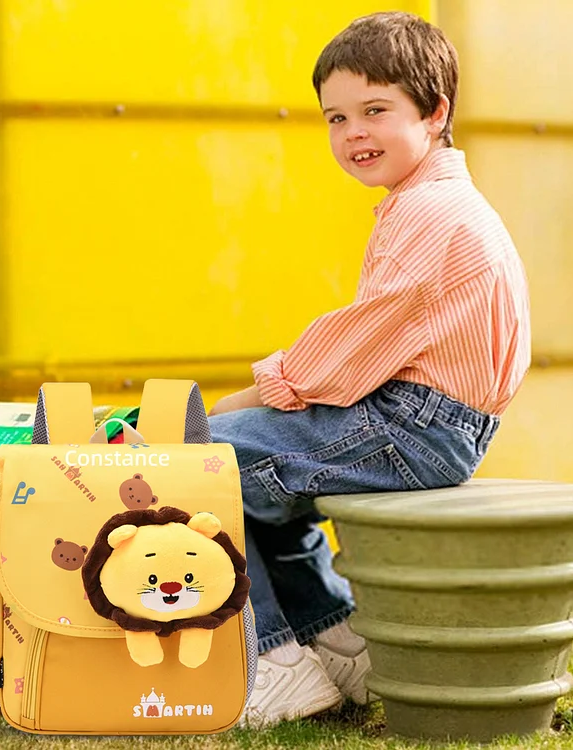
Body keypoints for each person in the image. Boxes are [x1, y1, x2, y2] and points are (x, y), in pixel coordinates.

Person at [208, 11, 531, 728]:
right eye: (336, 117)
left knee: (201, 459)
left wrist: (234, 402)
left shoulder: (433, 216)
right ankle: (335, 639)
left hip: (413, 426)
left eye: (375, 111)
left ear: (435, 111)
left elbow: (347, 353)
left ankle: (268, 659)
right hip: (429, 421)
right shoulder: (430, 204)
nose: (353, 133)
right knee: (267, 476)